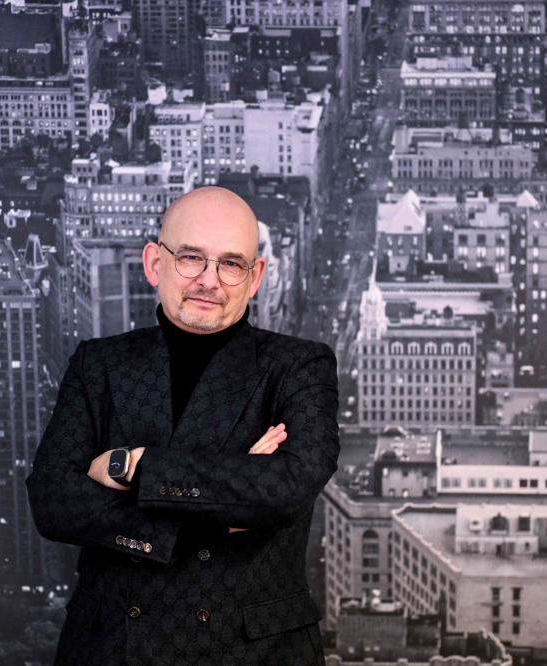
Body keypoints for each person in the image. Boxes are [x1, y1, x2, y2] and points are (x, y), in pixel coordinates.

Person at [26, 186, 339, 665]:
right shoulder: (99, 364)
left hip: (255, 654)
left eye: (231, 264)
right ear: (155, 263)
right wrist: (217, 506)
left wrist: (136, 467)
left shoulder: (299, 367)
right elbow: (53, 499)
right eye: (191, 258)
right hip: (114, 650)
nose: (209, 281)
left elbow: (287, 487)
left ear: (255, 277)